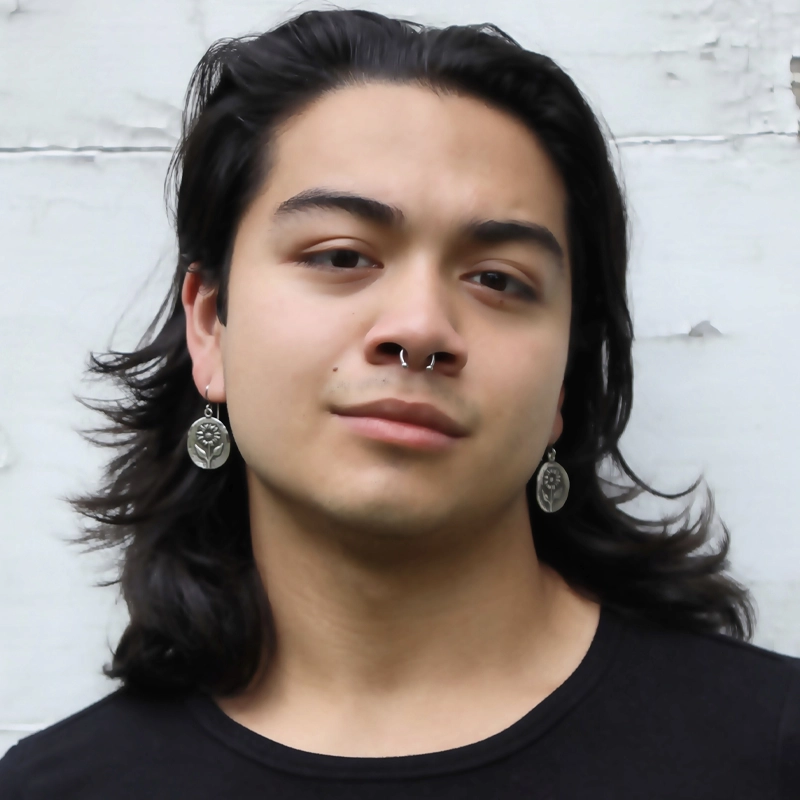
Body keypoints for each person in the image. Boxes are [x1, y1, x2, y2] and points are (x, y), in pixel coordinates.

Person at [1, 8, 797, 798]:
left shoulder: (772, 751)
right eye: (342, 255)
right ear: (210, 325)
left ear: (564, 379)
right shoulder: (58, 788)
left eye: (497, 279)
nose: (419, 328)